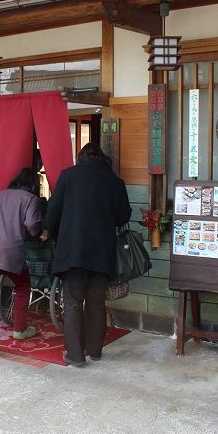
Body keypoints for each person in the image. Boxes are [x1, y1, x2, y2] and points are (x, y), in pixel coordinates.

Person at [46, 142, 132, 366]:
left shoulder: (69, 176)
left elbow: (52, 211)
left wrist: (52, 232)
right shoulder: (115, 182)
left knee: (73, 303)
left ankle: (75, 355)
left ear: (81, 158)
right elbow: (124, 216)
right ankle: (95, 351)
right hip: (102, 253)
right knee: (96, 303)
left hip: (73, 251)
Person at [0, 168, 44, 358]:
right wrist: (39, 232)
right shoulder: (31, 199)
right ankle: (19, 329)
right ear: (33, 186)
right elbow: (32, 225)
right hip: (10, 253)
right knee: (23, 285)